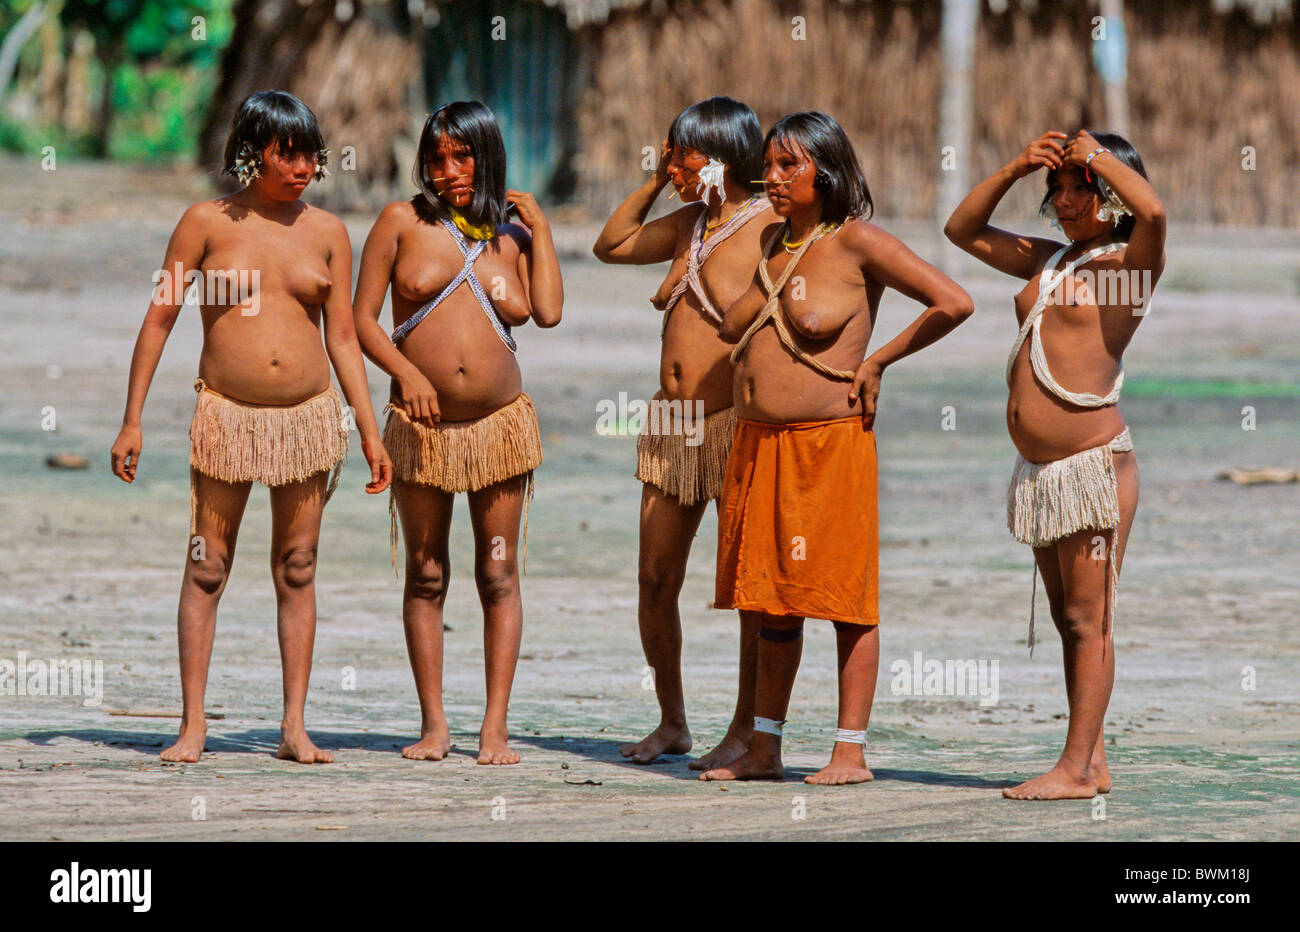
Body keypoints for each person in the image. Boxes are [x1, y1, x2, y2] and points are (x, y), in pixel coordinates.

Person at [110, 90, 392, 764]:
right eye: (285, 152)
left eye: (309, 154)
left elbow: (346, 338)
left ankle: (294, 727)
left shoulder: (327, 233)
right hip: (226, 417)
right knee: (208, 564)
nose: (300, 166)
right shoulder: (204, 223)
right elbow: (159, 318)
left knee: (297, 566)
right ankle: (193, 724)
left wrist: (370, 430)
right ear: (252, 150)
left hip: (307, 417)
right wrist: (132, 420)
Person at [702, 111, 974, 784]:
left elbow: (953, 301)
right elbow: (726, 319)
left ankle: (850, 751)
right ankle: (765, 749)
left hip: (828, 448)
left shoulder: (859, 244)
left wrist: (879, 361)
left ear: (823, 173)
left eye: (786, 165)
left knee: (844, 600)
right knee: (771, 600)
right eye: (768, 164)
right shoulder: (772, 245)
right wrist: (705, 233)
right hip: (760, 445)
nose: (771, 176)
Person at [945, 129, 1164, 799]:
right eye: (1059, 189)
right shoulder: (1052, 261)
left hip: (1092, 465)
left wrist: (1094, 155)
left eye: (1082, 190)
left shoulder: (1131, 265)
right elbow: (962, 228)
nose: (1066, 200)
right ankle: (1089, 763)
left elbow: (1154, 212)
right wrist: (1017, 165)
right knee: (1073, 618)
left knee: (1088, 619)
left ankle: (1074, 769)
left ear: (1110, 191)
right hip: (1043, 476)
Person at [352, 101, 562, 765]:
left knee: (498, 571)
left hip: (499, 428)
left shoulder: (513, 234)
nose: (448, 171)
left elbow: (549, 313)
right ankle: (434, 724)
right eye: (437, 158)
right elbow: (359, 321)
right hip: (422, 427)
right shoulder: (400, 221)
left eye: (462, 156)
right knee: (425, 572)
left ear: (487, 154)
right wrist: (405, 374)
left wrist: (542, 230)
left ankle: (494, 727)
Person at [592, 97, 776, 768]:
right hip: (671, 425)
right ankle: (672, 720)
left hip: (733, 425)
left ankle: (746, 729)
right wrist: (660, 179)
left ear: (724, 156)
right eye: (669, 153)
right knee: (655, 577)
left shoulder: (769, 225)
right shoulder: (688, 227)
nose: (672, 165)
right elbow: (608, 244)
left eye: (683, 154)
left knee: (746, 589)